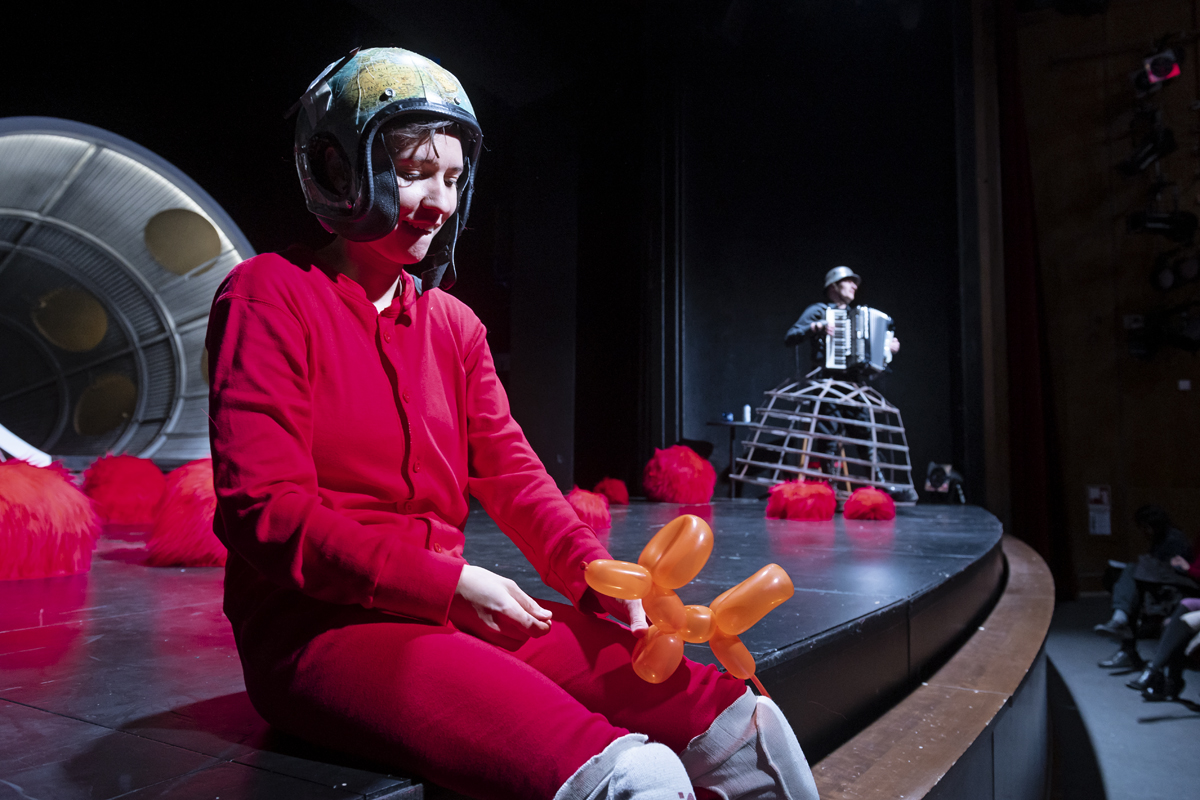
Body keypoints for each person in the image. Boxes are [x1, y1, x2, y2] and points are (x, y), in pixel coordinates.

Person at [206, 47, 819, 800]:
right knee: (635, 777)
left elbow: (514, 475)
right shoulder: (268, 294)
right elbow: (264, 511)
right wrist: (448, 585)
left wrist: (596, 579)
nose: (440, 201)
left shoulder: (455, 325)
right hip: (320, 631)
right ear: (337, 167)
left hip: (447, 609)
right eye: (416, 172)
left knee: (745, 727)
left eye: (454, 178)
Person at [782, 267, 912, 501]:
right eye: (849, 281)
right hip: (828, 383)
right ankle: (829, 487)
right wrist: (816, 327)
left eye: (855, 283)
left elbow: (872, 350)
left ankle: (879, 485)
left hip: (852, 385)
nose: (854, 286)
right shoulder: (819, 311)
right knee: (828, 437)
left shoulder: (859, 316)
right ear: (833, 286)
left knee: (865, 435)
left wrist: (888, 347)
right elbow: (791, 336)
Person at [1095, 505, 1196, 670]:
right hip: (1162, 580)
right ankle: (1124, 637)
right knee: (1129, 581)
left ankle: (1121, 626)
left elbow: (1179, 568)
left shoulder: (1174, 539)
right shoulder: (1160, 538)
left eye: (1146, 527)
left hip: (1183, 584)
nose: (1145, 532)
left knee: (1131, 575)